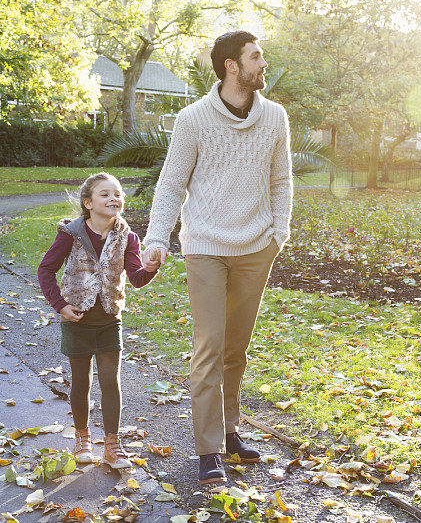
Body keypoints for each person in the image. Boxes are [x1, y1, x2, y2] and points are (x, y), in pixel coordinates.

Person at [141, 30, 293, 484]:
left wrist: (278, 233)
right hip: (205, 247)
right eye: (256, 57)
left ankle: (229, 431)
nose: (263, 63)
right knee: (208, 348)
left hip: (255, 248)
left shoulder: (275, 118)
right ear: (232, 65)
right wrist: (156, 238)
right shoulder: (192, 119)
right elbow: (171, 184)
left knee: (235, 349)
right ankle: (208, 450)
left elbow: (282, 181)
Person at [37, 172, 157, 469]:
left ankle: (113, 446)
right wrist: (61, 305)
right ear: (88, 202)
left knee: (110, 381)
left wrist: (151, 267)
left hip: (109, 318)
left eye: (117, 194)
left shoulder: (128, 237)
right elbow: (45, 270)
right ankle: (82, 438)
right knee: (81, 382)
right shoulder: (71, 233)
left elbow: (137, 278)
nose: (113, 198)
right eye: (105, 194)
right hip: (76, 318)